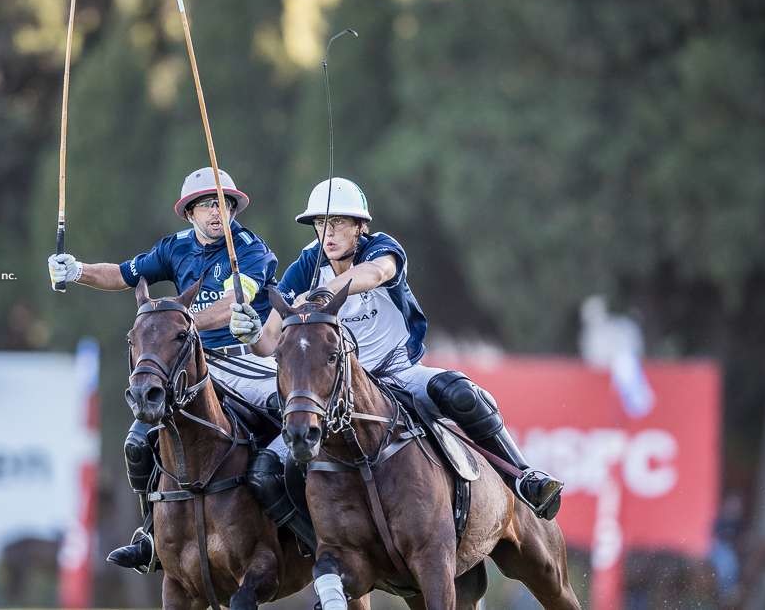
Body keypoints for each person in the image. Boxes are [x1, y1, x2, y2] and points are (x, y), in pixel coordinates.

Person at [229, 177, 564, 519]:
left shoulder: (381, 248)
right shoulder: (306, 265)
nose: (327, 234)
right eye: (319, 224)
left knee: (461, 392)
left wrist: (323, 292)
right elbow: (270, 341)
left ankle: (522, 477)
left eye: (337, 223)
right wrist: (252, 334)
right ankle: (312, 547)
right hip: (337, 392)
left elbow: (375, 274)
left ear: (360, 226)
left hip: (397, 373)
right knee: (266, 472)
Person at [48, 167, 312, 573]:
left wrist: (175, 319)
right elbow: (123, 274)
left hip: (246, 360)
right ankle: (151, 534)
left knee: (294, 419)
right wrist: (78, 270)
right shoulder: (174, 247)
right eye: (207, 205)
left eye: (223, 204)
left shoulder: (251, 249)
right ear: (189, 213)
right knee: (138, 443)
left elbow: (232, 302)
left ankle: (311, 527)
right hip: (192, 366)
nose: (216, 212)